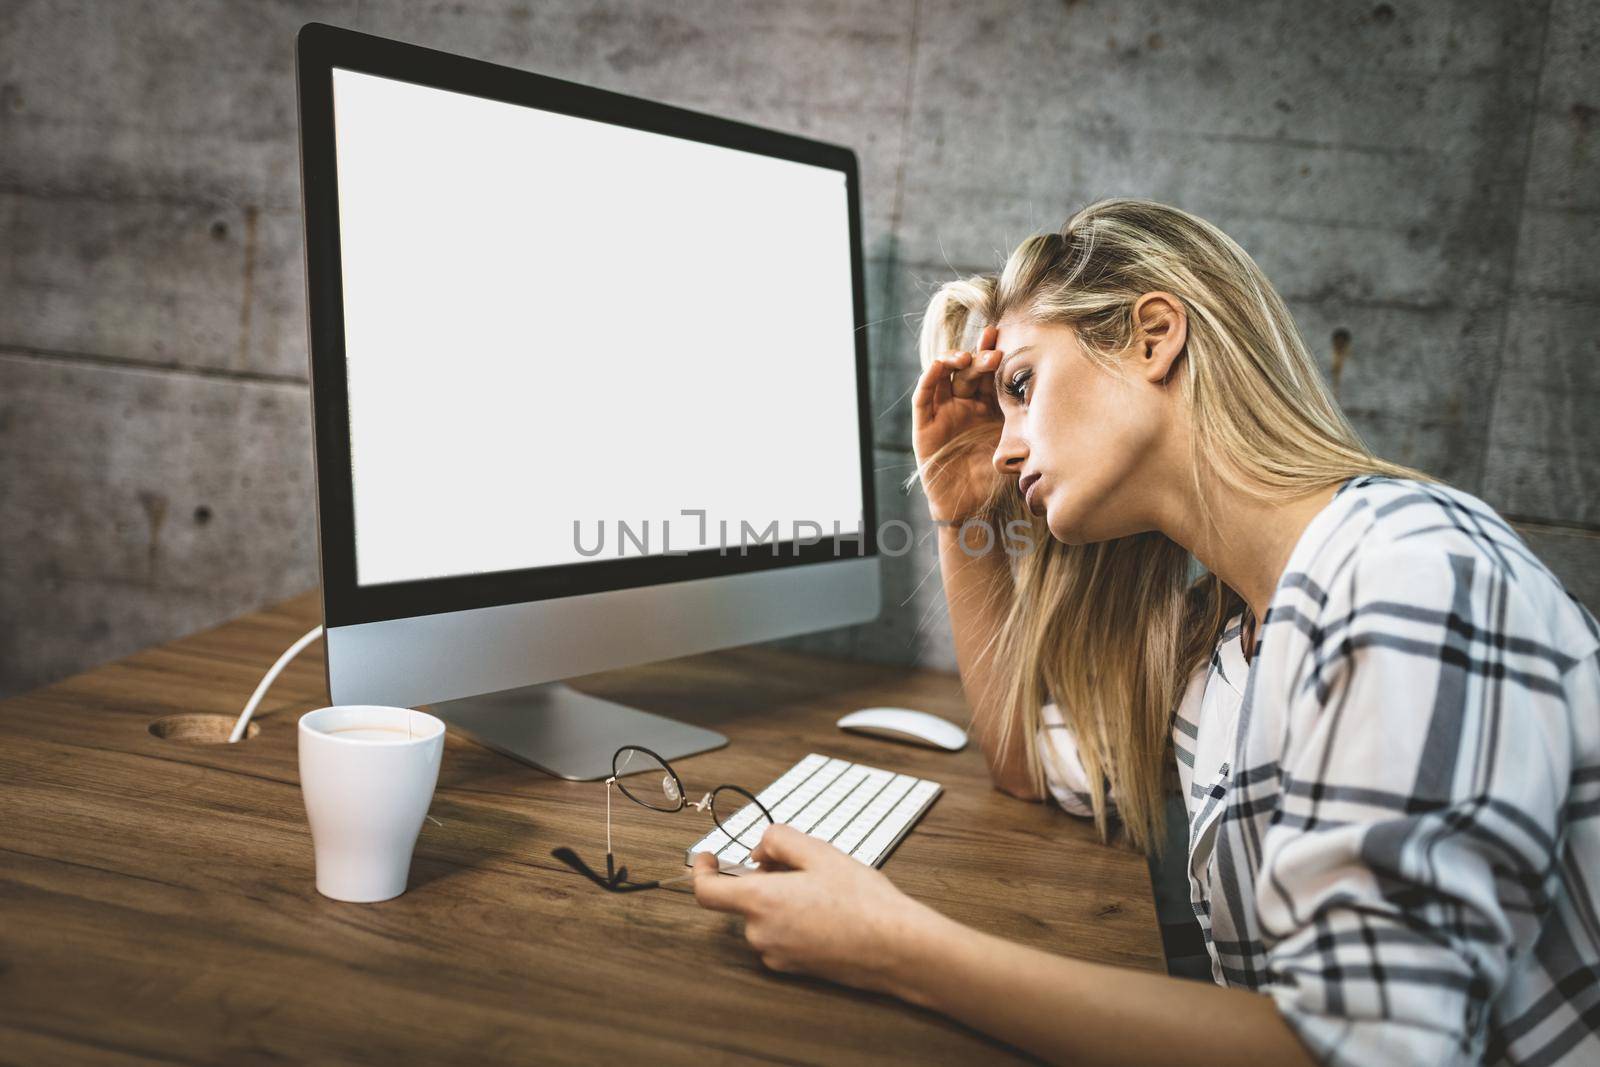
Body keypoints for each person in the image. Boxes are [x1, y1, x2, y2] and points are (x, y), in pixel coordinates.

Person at [689, 198, 1600, 1066]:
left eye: (1020, 385)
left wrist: (893, 946)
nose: (1006, 449)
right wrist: (963, 518)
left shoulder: (1407, 576)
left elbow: (1362, 1052)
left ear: (1153, 336)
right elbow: (1029, 764)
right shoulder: (1230, 644)